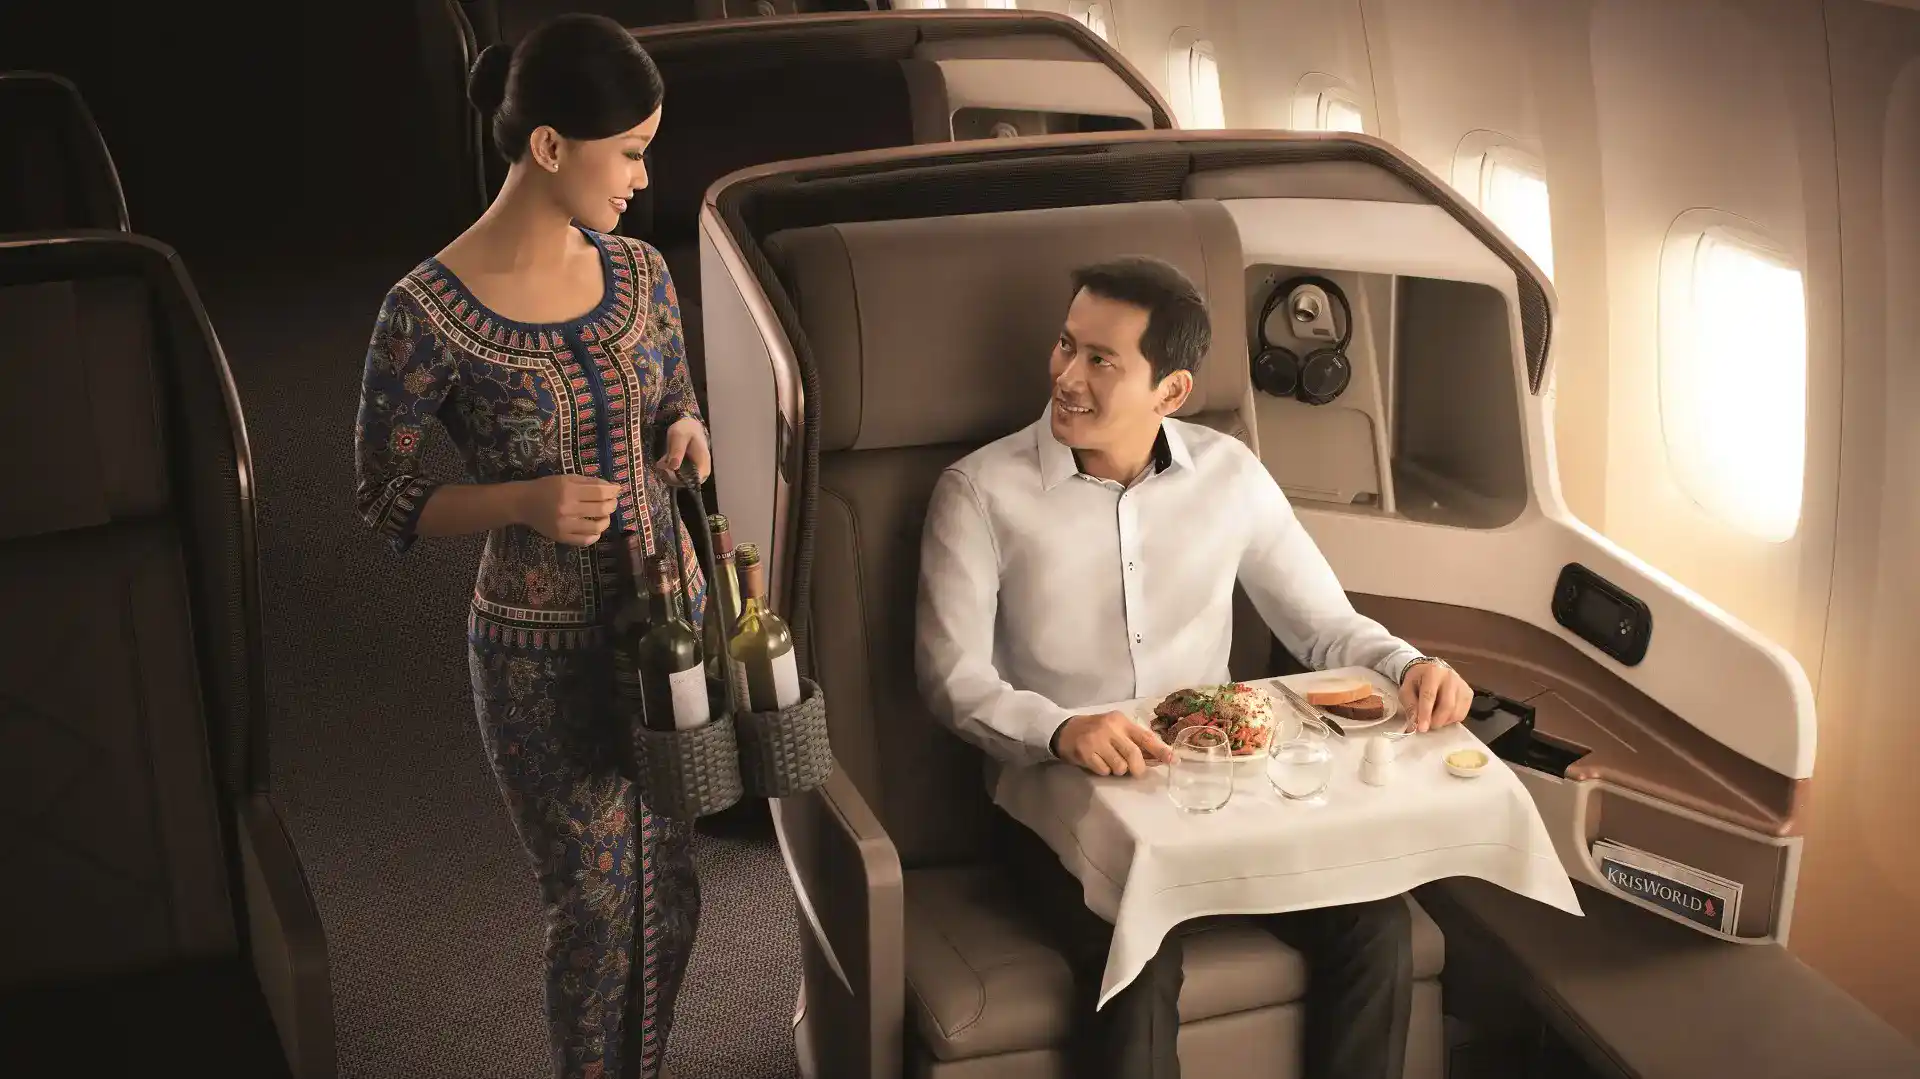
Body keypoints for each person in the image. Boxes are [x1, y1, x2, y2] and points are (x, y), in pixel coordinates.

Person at [914, 255, 1476, 1079]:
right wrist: (1062, 729)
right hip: (1060, 806)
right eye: (1066, 345)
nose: (1067, 375)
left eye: (1101, 360)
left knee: (1377, 923)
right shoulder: (978, 493)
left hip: (1225, 796)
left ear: (1170, 392)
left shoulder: (1232, 475)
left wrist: (1409, 663)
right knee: (1139, 959)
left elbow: (1323, 626)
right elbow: (951, 679)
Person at [351, 15, 708, 1079]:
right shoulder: (423, 314)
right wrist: (521, 499)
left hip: (673, 632)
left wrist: (684, 434)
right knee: (595, 900)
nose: (646, 178)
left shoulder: (644, 274)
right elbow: (386, 495)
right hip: (537, 649)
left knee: (675, 889)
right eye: (632, 151)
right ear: (549, 146)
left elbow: (676, 401)